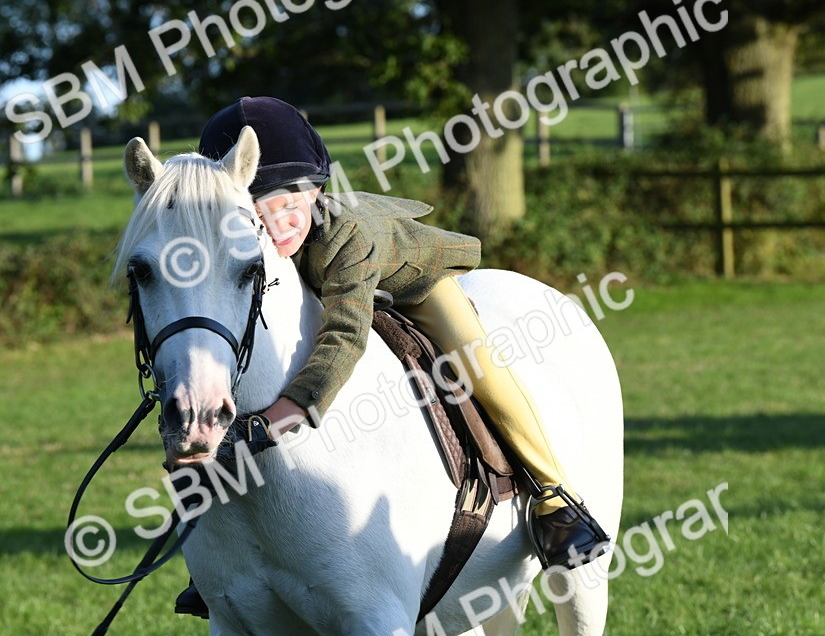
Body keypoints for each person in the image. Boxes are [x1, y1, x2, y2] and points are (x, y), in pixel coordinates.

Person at [176, 96, 609, 618]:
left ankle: (555, 496)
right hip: (333, 285)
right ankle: (226, 564)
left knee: (479, 365)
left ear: (318, 188)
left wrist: (282, 415)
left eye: (295, 193)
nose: (280, 214)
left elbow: (344, 335)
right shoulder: (254, 246)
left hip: (415, 283)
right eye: (261, 198)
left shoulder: (344, 236)